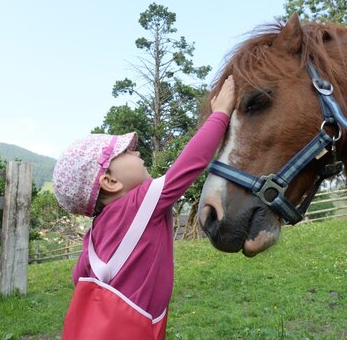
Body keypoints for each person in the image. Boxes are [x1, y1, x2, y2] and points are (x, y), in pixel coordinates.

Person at [52, 75, 235, 340]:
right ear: (111, 181)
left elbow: (79, 277)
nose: (138, 153)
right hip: (136, 328)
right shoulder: (140, 203)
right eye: (127, 152)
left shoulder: (94, 233)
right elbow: (189, 165)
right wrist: (220, 114)